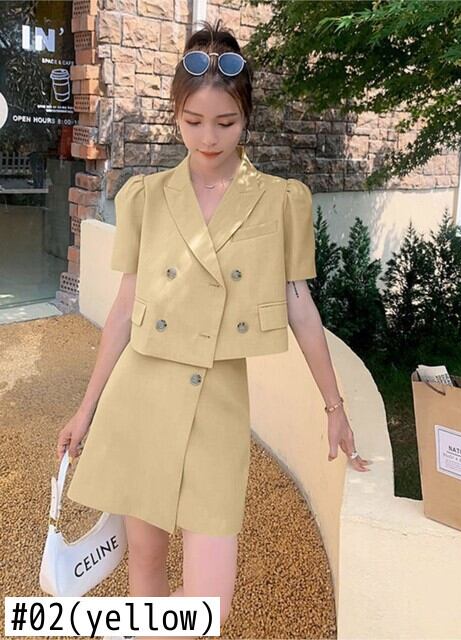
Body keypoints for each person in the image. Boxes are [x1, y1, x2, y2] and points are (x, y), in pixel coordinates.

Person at [56, 18, 372, 640]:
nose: (208, 138)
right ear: (176, 115)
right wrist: (86, 409)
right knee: (144, 564)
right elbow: (124, 308)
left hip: (219, 403)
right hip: (141, 395)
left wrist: (333, 406)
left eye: (225, 123)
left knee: (211, 605)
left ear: (246, 117)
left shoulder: (280, 200)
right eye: (193, 121)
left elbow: (300, 306)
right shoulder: (145, 197)